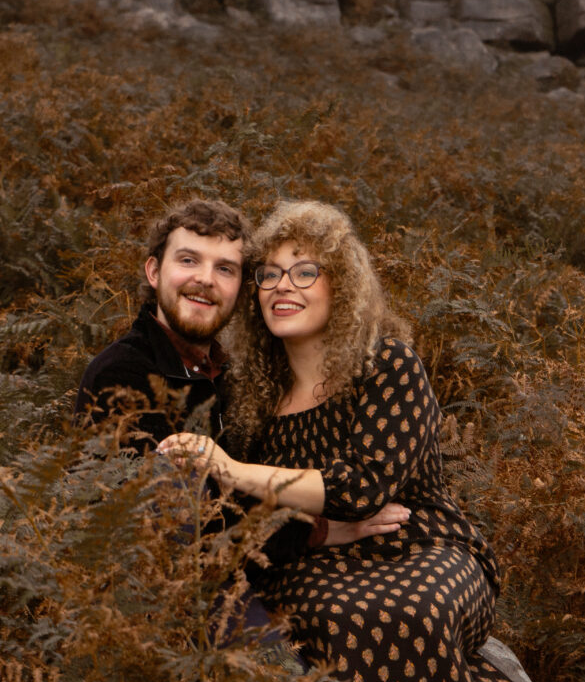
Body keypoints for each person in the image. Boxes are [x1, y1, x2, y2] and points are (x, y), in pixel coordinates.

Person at [158, 199, 574, 682]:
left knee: (413, 612)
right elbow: (234, 513)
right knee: (345, 624)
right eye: (268, 274)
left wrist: (234, 469)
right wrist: (283, 508)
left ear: (341, 284)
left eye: (304, 271)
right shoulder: (250, 393)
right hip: (313, 557)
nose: (281, 287)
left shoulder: (388, 365)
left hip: (422, 545)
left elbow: (362, 486)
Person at [74, 198, 409, 637]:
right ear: (154, 272)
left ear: (241, 288)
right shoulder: (122, 375)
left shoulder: (234, 377)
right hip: (164, 602)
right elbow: (183, 520)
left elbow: (244, 488)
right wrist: (319, 531)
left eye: (225, 269)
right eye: (189, 260)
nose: (205, 280)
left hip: (249, 576)